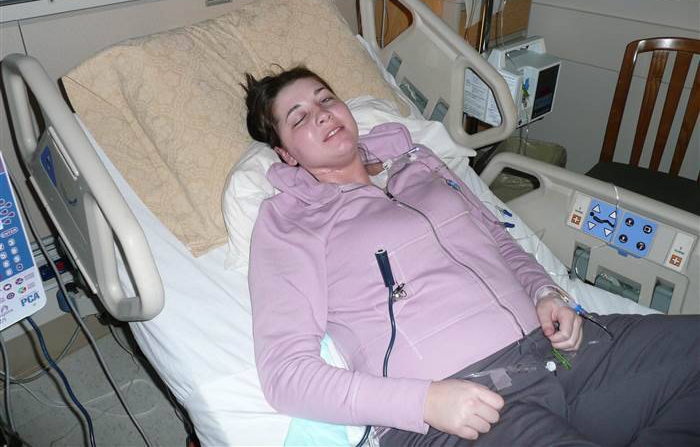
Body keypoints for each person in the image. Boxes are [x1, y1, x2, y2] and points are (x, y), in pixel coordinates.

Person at [243, 66, 699, 446]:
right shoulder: (290, 221)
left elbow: (499, 240)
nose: (322, 114)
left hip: (560, 352)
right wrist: (424, 402)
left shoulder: (417, 162)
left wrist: (545, 291)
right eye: (299, 118)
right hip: (462, 405)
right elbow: (286, 375)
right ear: (285, 154)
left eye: (326, 99)